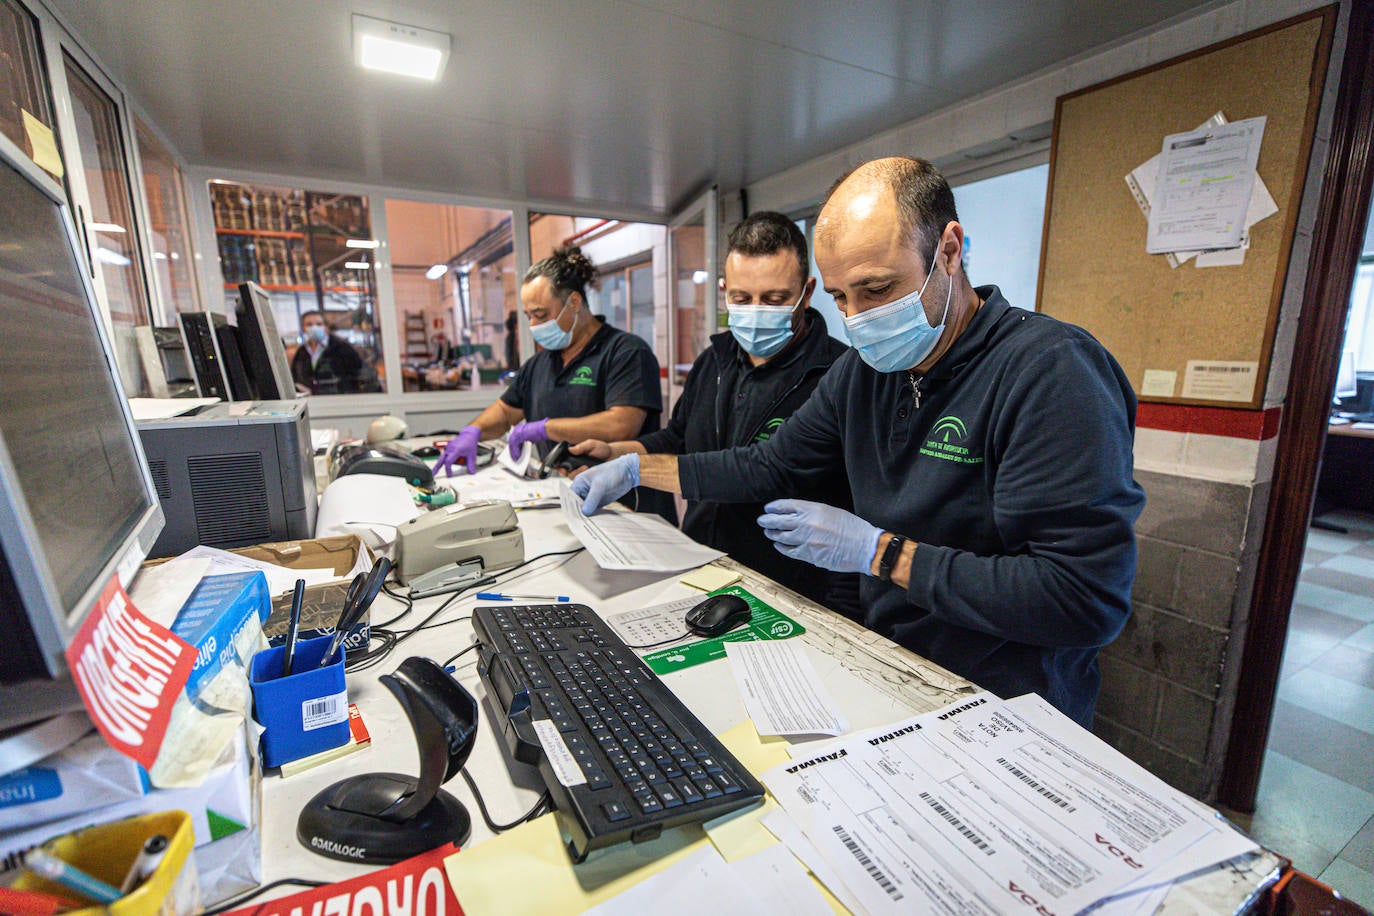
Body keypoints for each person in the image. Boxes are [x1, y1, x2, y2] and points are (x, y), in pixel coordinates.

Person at [573, 157, 1145, 727]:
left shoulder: (1050, 372)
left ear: (949, 251)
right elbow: (768, 465)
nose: (858, 320)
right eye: (842, 298)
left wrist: (881, 554)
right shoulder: (866, 374)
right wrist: (635, 469)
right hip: (892, 664)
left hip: (1006, 702)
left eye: (877, 289)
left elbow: (1081, 599)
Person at [569, 212, 859, 616]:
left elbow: (762, 469)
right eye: (741, 298)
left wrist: (638, 468)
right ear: (723, 291)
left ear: (806, 292)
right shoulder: (714, 361)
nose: (756, 311)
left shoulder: (836, 374)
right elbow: (678, 439)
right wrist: (616, 451)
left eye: (774, 299)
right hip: (699, 563)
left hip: (788, 587)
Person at [436, 245, 671, 517]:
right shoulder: (540, 364)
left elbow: (622, 425)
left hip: (624, 504)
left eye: (541, 314)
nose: (534, 325)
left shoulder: (626, 352)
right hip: (565, 496)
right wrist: (472, 432)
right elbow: (505, 410)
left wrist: (547, 429)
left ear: (573, 302)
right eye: (529, 316)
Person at [292, 310, 366, 394]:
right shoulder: (301, 352)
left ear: (326, 327)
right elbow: (295, 377)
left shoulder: (342, 349)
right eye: (309, 325)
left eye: (319, 324)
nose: (314, 328)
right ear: (303, 329)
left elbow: (358, 376)